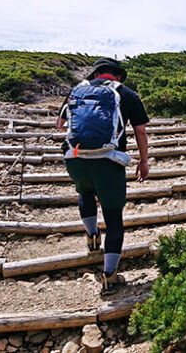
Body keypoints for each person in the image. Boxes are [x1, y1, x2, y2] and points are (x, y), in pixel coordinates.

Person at [56, 57, 150, 295]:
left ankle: (91, 236)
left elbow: (60, 124)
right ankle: (109, 276)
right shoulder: (127, 94)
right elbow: (140, 130)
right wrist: (143, 161)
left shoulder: (77, 91)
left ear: (96, 73)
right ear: (117, 75)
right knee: (113, 217)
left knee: (84, 192)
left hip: (75, 158)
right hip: (108, 161)